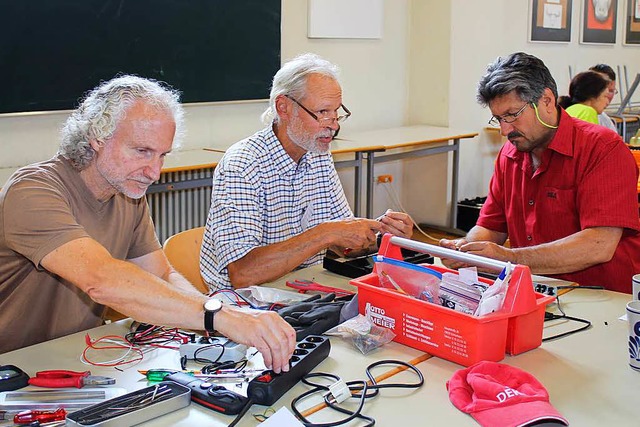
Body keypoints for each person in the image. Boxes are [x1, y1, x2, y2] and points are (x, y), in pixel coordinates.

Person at [0, 75, 296, 372]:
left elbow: (162, 275)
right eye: (142, 152)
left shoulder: (126, 192)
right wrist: (219, 318)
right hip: (13, 366)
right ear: (97, 138)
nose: (154, 173)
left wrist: (217, 313)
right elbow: (102, 279)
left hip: (73, 356)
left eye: (162, 155)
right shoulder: (32, 191)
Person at [200, 53, 413, 291]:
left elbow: (343, 246)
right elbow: (243, 273)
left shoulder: (317, 153)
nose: (333, 124)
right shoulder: (242, 165)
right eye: (322, 112)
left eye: (336, 112)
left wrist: (385, 236)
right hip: (243, 303)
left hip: (304, 288)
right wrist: (325, 234)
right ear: (284, 107)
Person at [440, 52, 640, 293]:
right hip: (538, 290)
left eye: (512, 115)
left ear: (546, 100)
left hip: (602, 295)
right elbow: (492, 227)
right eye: (499, 118)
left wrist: (510, 257)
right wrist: (466, 249)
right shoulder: (509, 154)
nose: (505, 130)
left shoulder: (602, 149)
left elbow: (599, 244)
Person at [589, 63, 618, 131]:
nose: (607, 98)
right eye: (603, 90)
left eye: (611, 91)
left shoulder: (605, 120)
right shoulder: (582, 115)